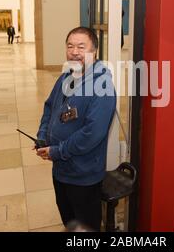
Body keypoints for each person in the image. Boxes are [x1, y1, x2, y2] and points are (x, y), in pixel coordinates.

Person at [36, 27, 116, 231]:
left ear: (95, 51)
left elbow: (92, 134)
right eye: (70, 46)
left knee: (86, 226)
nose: (74, 51)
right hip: (61, 169)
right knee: (69, 221)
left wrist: (58, 151)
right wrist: (43, 136)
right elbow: (49, 107)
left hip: (83, 174)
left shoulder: (102, 86)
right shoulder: (67, 76)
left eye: (82, 46)